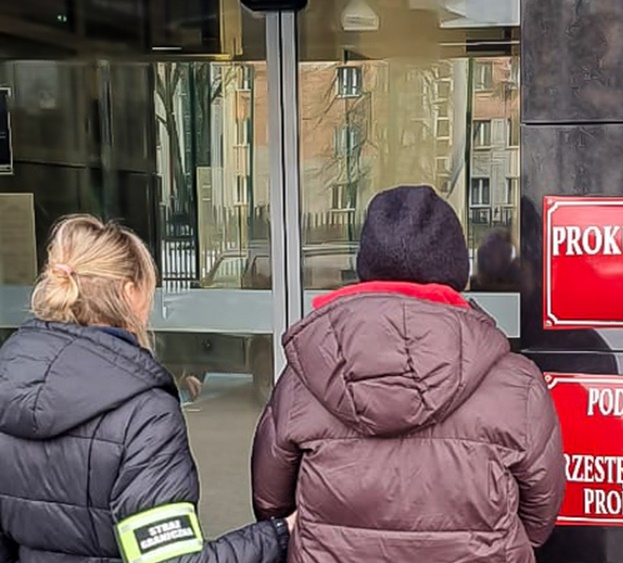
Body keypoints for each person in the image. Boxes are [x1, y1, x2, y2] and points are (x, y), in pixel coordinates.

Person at [252, 185, 566, 563]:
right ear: (455, 271)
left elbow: (270, 505)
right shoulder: (517, 384)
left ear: (366, 268)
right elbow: (540, 517)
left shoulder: (302, 380)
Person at [0, 215, 293, 563]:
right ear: (129, 292)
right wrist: (278, 535)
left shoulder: (9, 381)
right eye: (148, 289)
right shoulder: (144, 412)